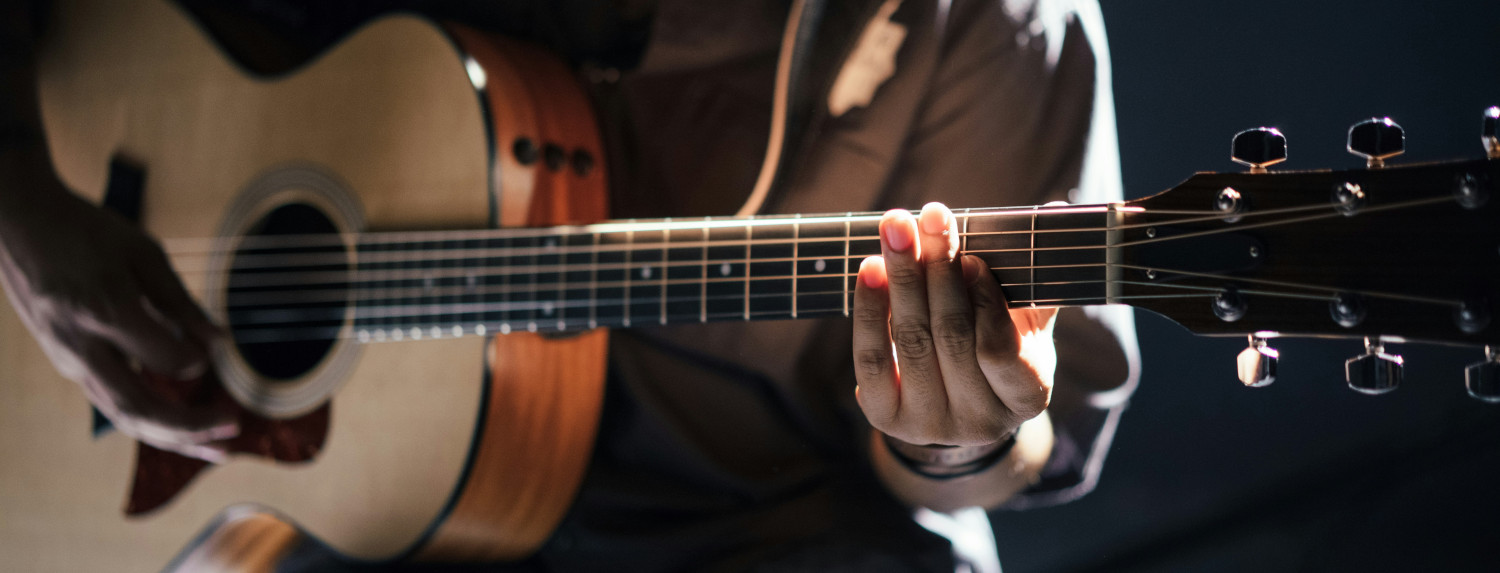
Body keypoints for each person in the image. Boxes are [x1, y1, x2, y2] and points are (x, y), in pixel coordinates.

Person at [0, 0, 1138, 570]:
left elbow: (1015, 454)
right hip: (354, 526)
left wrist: (959, 435)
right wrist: (21, 207)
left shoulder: (992, 21)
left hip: (754, 531)